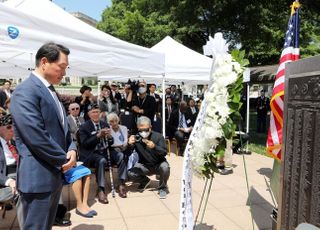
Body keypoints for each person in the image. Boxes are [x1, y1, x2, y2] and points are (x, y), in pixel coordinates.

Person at [10, 42, 77, 230]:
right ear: (44, 62)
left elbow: (63, 128)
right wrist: (64, 159)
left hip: (53, 175)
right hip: (37, 178)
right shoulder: (25, 91)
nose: (64, 73)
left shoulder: (50, 90)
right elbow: (36, 136)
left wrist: (71, 148)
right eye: (62, 67)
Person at [79, 103, 128, 202]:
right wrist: (97, 136)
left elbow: (111, 143)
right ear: (89, 114)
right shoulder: (84, 127)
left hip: (106, 151)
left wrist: (110, 138)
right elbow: (85, 144)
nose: (96, 114)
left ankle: (121, 183)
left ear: (100, 113)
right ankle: (101, 189)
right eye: (93, 112)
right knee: (101, 160)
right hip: (91, 153)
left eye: (97, 112)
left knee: (121, 155)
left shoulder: (105, 124)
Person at [128, 116, 170, 199]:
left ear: (150, 127)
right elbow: (127, 154)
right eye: (141, 130)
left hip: (158, 164)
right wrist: (129, 144)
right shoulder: (136, 138)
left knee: (165, 167)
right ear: (137, 128)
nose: (143, 132)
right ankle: (145, 181)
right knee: (130, 173)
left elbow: (164, 152)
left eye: (146, 129)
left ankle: (162, 188)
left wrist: (154, 146)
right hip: (144, 165)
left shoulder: (158, 136)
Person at [0, 114, 17, 207]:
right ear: (0, 128)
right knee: (23, 190)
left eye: (14, 127)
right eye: (9, 127)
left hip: (18, 173)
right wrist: (9, 181)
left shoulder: (13, 143)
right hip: (5, 179)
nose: (12, 130)